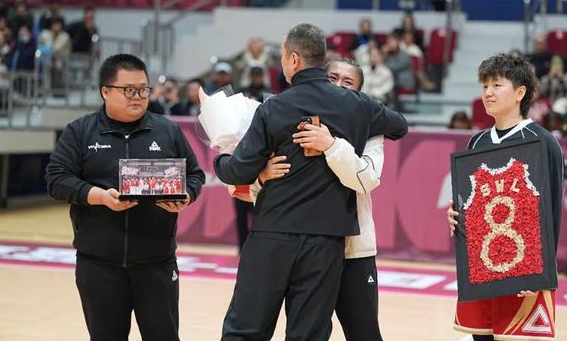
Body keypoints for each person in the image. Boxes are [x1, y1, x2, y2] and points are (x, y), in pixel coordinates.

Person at [213, 23, 408, 340]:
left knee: (245, 331)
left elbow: (237, 172)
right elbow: (399, 126)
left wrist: (222, 157)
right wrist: (359, 120)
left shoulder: (274, 107)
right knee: (309, 335)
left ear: (293, 59)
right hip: (326, 242)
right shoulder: (358, 105)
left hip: (272, 234)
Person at [45, 54, 206, 341]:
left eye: (143, 90)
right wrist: (99, 197)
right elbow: (56, 179)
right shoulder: (80, 132)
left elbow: (195, 174)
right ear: (105, 91)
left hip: (157, 262)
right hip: (98, 264)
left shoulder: (167, 130)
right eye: (129, 90)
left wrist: (186, 195)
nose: (139, 97)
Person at [245, 58, 386, 340]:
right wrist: (261, 178)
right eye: (332, 78)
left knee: (364, 333)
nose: (338, 86)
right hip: (306, 248)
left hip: (352, 252)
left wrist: (331, 145)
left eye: (348, 83)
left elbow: (366, 180)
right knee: (307, 332)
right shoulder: (290, 120)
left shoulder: (369, 130)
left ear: (359, 95)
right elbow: (255, 191)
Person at [447, 53, 564, 341]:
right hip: (481, 272)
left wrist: (540, 275)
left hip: (524, 277)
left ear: (520, 92)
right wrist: (456, 216)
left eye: (496, 85)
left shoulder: (543, 141)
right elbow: (471, 203)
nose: (488, 92)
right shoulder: (477, 141)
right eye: (485, 86)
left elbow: (552, 212)